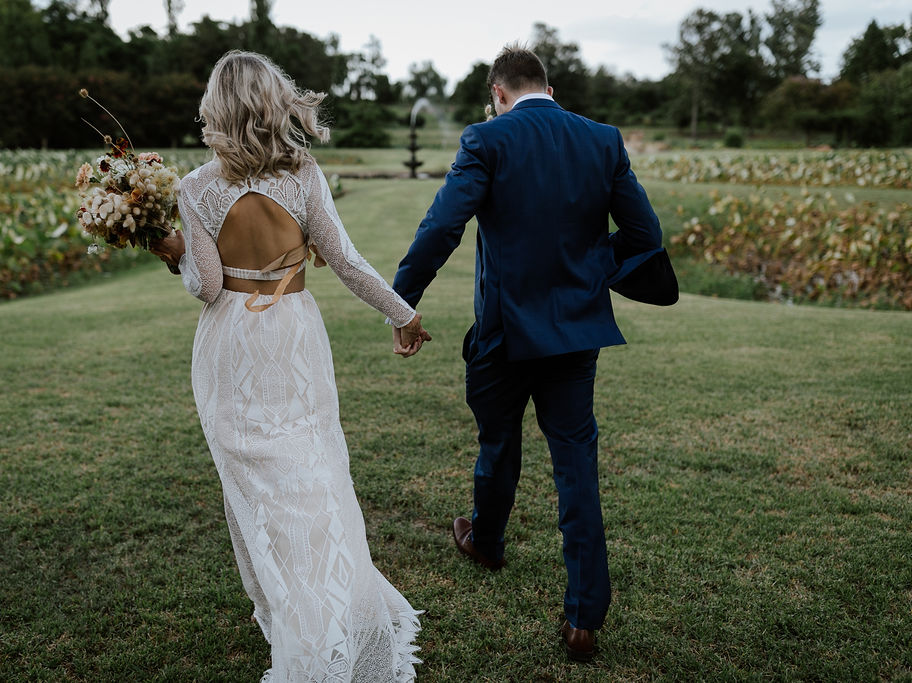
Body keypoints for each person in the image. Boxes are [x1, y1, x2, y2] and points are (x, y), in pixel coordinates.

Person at [149, 50, 429, 681]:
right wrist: (401, 314)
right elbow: (348, 262)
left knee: (253, 482)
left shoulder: (195, 188)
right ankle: (331, 605)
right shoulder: (303, 173)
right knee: (315, 471)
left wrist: (172, 251)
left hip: (231, 346)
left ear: (216, 110)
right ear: (276, 104)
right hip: (294, 336)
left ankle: (290, 610)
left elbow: (208, 287)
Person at [390, 44, 672, 662]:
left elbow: (443, 226)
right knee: (576, 463)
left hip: (503, 331)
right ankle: (583, 619)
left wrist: (401, 299)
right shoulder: (602, 139)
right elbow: (645, 236)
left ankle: (487, 542)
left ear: (498, 93)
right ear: (548, 86)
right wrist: (590, 268)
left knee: (499, 443)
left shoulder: (486, 140)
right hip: (575, 333)